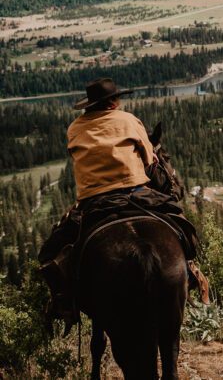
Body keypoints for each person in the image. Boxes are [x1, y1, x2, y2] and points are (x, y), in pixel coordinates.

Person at [37, 78, 206, 324]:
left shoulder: (75, 129)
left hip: (93, 200)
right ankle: (189, 270)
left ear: (90, 105)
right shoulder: (129, 120)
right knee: (180, 223)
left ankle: (63, 301)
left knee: (50, 251)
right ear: (114, 102)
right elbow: (150, 162)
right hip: (136, 192)